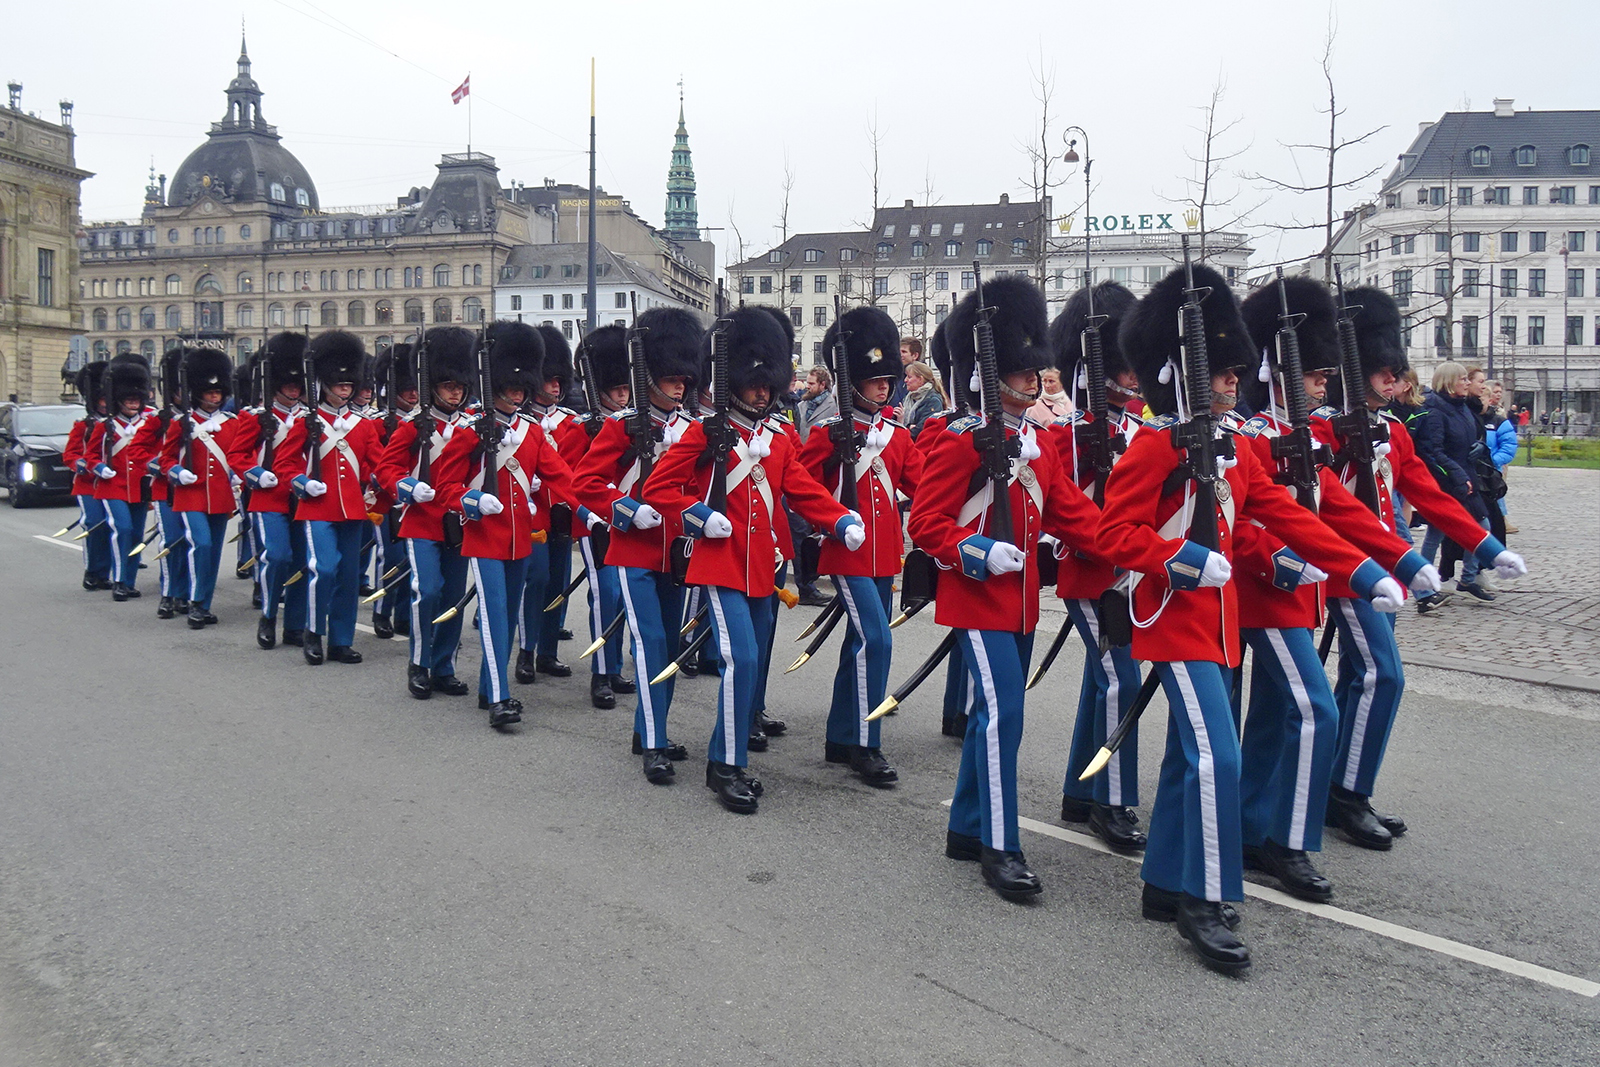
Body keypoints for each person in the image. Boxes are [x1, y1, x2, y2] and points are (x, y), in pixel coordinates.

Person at [1100, 263, 1404, 975]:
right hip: (1174, 620)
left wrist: (1362, 570)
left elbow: (1287, 515)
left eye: (1240, 371)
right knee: (1218, 754)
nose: (1238, 380)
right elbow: (1116, 534)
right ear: (1185, 374)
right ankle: (1203, 900)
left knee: (1187, 755)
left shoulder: (1234, 446)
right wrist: (1174, 558)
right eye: (1226, 372)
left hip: (1220, 620)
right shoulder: (1151, 447)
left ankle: (1164, 882)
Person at [1233, 277, 1441, 903]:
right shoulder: (1248, 432)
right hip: (1260, 592)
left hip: (1305, 591)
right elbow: (1238, 522)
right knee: (1314, 709)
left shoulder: (1302, 433)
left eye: (1328, 374)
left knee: (1273, 716)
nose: (1325, 383)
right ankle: (1287, 841)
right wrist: (1286, 562)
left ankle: (1248, 827)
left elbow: (1340, 510)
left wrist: (1395, 561)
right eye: (1314, 373)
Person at [908, 276, 1105, 903]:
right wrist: (977, 549)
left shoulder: (1038, 444)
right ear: (992, 374)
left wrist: (1145, 552)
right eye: (1023, 372)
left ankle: (966, 828)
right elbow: (927, 523)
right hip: (976, 599)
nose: (1035, 378)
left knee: (998, 716)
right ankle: (1000, 841)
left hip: (1020, 602)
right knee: (1003, 716)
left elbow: (1075, 515)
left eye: (1035, 371)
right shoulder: (958, 438)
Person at [1312, 288, 1526, 850]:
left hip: (1389, 565)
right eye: (1383, 373)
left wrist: (1485, 546)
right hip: (1349, 571)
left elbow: (1428, 496)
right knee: (1383, 675)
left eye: (1395, 373)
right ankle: (1346, 794)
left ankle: (1333, 782)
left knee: (1360, 678)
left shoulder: (1392, 428)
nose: (1393, 382)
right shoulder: (1324, 429)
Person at [644, 306, 864, 815]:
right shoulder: (705, 433)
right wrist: (697, 517)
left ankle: (734, 751)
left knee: (753, 662)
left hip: (765, 566)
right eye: (754, 382)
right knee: (739, 658)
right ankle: (723, 764)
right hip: (720, 565)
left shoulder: (780, 437)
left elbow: (802, 489)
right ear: (733, 379)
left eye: (769, 383)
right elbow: (660, 489)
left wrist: (839, 519)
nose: (763, 392)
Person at [571, 307, 702, 780]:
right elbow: (584, 483)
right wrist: (624, 509)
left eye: (683, 379)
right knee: (648, 644)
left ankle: (651, 726)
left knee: (669, 644)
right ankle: (653, 742)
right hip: (632, 548)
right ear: (648, 377)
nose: (679, 387)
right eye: (670, 378)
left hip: (677, 550)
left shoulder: (694, 428)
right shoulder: (621, 425)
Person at [799, 305, 924, 787]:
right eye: (875, 381)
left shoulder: (894, 432)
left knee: (857, 644)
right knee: (877, 638)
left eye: (887, 380)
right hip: (847, 553)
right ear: (853, 382)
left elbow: (920, 482)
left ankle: (840, 736)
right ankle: (866, 745)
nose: (884, 387)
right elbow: (803, 487)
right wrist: (835, 462)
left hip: (885, 551)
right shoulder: (832, 431)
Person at [1044, 281, 1149, 851]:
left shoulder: (1137, 427)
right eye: (1124, 364)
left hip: (1131, 572)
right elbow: (1059, 506)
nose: (1134, 375)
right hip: (1091, 572)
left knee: (1101, 677)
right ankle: (1112, 800)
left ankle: (1078, 793)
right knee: (1119, 677)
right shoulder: (1067, 434)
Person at [433, 321, 580, 727]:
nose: (517, 394)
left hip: (521, 541)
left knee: (510, 616)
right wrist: (473, 499)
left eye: (522, 389)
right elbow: (445, 485)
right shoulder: (469, 429)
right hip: (482, 537)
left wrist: (591, 509)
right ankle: (500, 697)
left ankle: (487, 686)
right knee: (496, 615)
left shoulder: (531, 432)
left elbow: (562, 478)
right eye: (511, 388)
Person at [373, 327, 477, 699]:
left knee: (452, 598)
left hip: (458, 521)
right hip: (421, 519)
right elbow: (386, 469)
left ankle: (444, 665)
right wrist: (407, 486)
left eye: (460, 386)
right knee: (427, 590)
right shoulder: (415, 425)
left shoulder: (473, 426)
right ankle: (419, 662)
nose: (455, 392)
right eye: (447, 385)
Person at [289, 331, 383, 667]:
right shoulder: (307, 421)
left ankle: (341, 640)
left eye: (349, 385)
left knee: (347, 576)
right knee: (324, 569)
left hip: (353, 509)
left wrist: (394, 484)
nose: (345, 390)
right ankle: (313, 632)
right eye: (339, 385)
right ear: (325, 384)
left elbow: (378, 463)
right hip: (317, 507)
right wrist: (302, 482)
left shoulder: (362, 424)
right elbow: (286, 463)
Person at [566, 325, 638, 709]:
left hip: (631, 520)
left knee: (625, 596)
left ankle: (613, 666)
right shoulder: (583, 428)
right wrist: (588, 515)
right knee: (606, 594)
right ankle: (600, 673)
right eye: (618, 392)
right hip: (595, 522)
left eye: (627, 390)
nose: (624, 397)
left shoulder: (631, 426)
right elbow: (566, 479)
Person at [515, 325, 587, 686]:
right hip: (530, 516)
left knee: (557, 583)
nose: (556, 386)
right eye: (548, 379)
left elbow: (574, 472)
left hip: (561, 514)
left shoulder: (572, 423)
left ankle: (547, 652)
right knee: (537, 579)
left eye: (560, 380)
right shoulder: (519, 425)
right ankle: (526, 652)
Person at [232, 332, 311, 651]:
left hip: (304, 496)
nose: (293, 389)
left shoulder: (311, 418)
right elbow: (237, 455)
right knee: (277, 556)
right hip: (269, 497)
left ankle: (294, 624)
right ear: (275, 383)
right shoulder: (256, 417)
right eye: (288, 384)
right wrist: (256, 474)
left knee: (303, 562)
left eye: (298, 385)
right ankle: (268, 615)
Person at [160, 347, 246, 629]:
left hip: (220, 495)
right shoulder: (182, 423)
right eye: (209, 393)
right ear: (197, 392)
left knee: (214, 551)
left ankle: (204, 604)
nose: (214, 397)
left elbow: (238, 455)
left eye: (218, 393)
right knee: (202, 544)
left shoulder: (232, 424)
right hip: (191, 494)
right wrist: (177, 472)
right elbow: (166, 459)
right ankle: (195, 602)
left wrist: (236, 475)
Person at [1415, 362, 1494, 602]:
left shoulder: (1462, 407)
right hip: (1447, 480)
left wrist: (1480, 447)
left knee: (1482, 528)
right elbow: (1432, 450)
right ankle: (1424, 588)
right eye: (1462, 379)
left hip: (1465, 475)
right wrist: (1455, 473)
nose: (1467, 383)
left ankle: (1468, 578)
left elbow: (1471, 436)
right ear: (1449, 382)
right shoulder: (1436, 410)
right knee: (1436, 534)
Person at [86, 356, 160, 602]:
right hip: (112, 487)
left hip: (140, 487)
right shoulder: (105, 426)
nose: (133, 404)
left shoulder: (149, 424)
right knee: (123, 529)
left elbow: (156, 452)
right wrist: (98, 468)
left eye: (137, 400)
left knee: (137, 535)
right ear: (119, 400)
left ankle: (128, 581)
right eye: (129, 400)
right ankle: (118, 580)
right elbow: (90, 456)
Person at [64, 361, 114, 592]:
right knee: (95, 525)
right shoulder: (83, 426)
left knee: (114, 527)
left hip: (113, 483)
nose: (105, 404)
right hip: (88, 485)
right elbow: (70, 455)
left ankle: (109, 572)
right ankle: (93, 571)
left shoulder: (118, 425)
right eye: (101, 400)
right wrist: (81, 464)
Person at [900, 360, 946, 437]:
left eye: (909, 377)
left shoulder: (933, 401)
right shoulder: (909, 397)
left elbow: (922, 431)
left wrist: (904, 427)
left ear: (920, 380)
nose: (905, 380)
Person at [796, 365, 838, 441]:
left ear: (822, 384)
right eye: (807, 383)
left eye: (811, 384)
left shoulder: (834, 406)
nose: (808, 386)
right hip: (802, 451)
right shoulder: (801, 405)